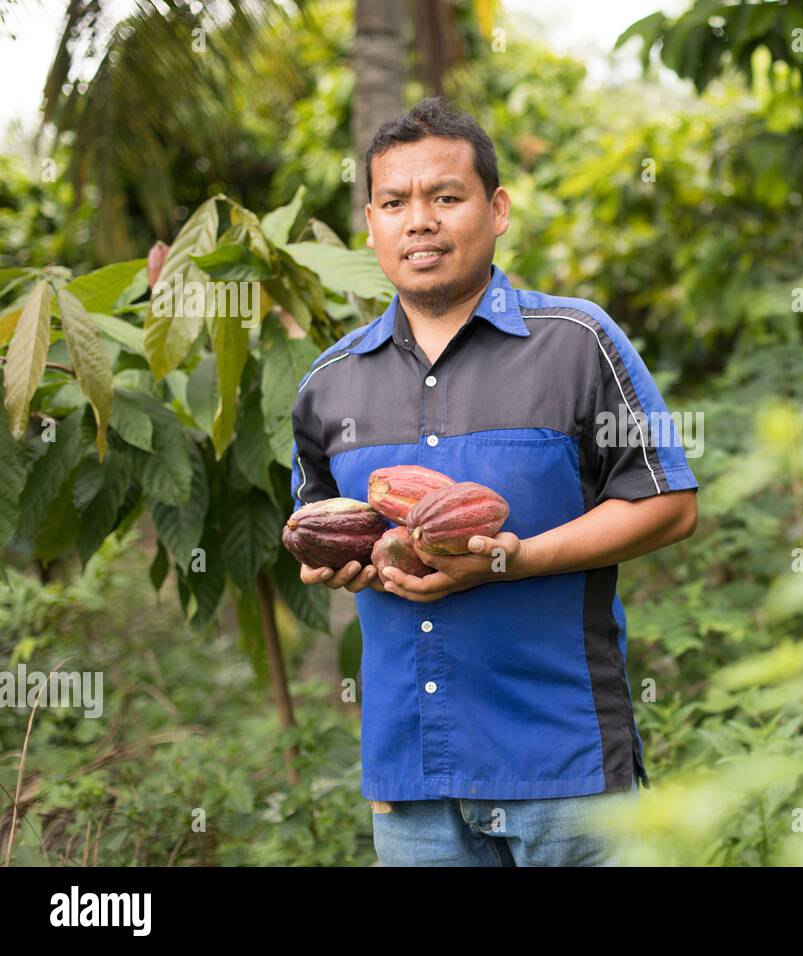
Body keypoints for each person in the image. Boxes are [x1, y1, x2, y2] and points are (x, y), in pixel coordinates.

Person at [289, 96, 700, 866]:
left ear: (497, 208)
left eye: (446, 197)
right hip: (413, 784)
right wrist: (330, 562)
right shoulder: (329, 383)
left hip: (565, 772)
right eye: (394, 202)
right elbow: (320, 525)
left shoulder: (576, 342)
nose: (420, 221)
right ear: (370, 222)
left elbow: (670, 506)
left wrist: (517, 557)